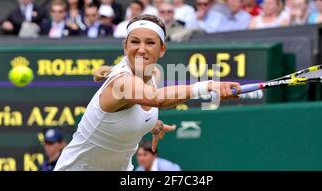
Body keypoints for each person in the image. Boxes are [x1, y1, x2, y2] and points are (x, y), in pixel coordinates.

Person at [54, 14, 241, 171]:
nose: (141, 49)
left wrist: (152, 123)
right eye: (135, 42)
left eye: (150, 43)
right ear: (125, 46)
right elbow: (156, 99)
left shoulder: (153, 75)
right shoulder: (121, 82)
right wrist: (207, 86)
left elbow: (132, 111)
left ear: (162, 49)